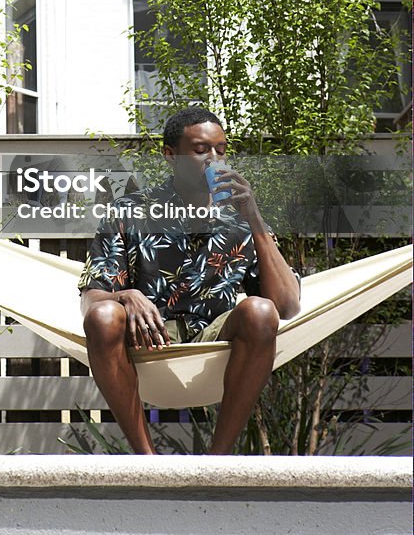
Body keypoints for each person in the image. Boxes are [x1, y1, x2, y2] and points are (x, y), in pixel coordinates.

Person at [78, 106, 300, 454]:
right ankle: (147, 460)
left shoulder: (240, 219)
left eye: (221, 150)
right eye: (200, 150)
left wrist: (254, 217)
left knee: (259, 312)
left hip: (216, 337)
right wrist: (126, 296)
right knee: (103, 315)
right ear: (171, 156)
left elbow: (286, 306)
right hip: (149, 338)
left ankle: (217, 460)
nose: (214, 159)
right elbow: (91, 300)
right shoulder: (129, 210)